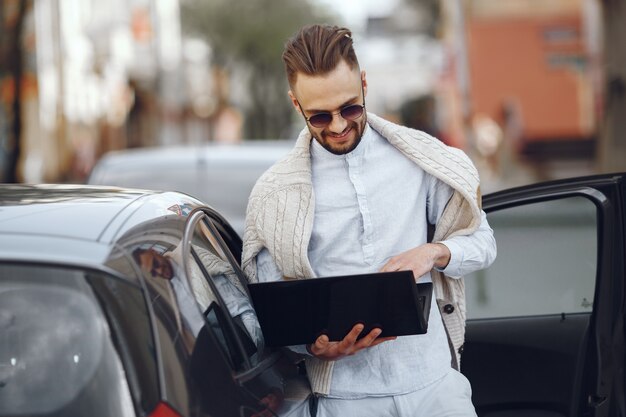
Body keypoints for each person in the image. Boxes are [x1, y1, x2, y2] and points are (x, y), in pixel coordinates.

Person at [241, 24, 497, 416]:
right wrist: (312, 346)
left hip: (435, 389)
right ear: (296, 106)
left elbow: (483, 244)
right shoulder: (274, 196)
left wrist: (435, 252)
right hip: (343, 400)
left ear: (363, 84)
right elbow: (269, 307)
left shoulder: (421, 160)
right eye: (320, 117)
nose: (340, 126)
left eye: (350, 108)